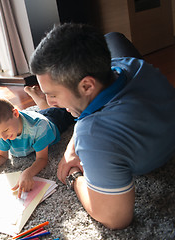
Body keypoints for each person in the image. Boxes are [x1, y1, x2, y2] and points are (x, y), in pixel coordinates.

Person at [27, 23, 175, 229]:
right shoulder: (132, 65)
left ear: (87, 85)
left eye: (53, 94)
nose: (50, 102)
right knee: (114, 37)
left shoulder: (95, 134)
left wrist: (74, 177)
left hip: (154, 159)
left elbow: (115, 219)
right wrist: (72, 144)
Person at [0, 95, 74, 198]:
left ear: (15, 113)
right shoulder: (1, 132)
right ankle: (37, 96)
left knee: (70, 111)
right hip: (29, 118)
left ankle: (37, 97)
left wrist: (28, 173)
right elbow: (2, 157)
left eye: (5, 131)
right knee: (45, 109)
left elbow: (42, 159)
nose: (3, 137)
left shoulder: (40, 127)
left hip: (54, 120)